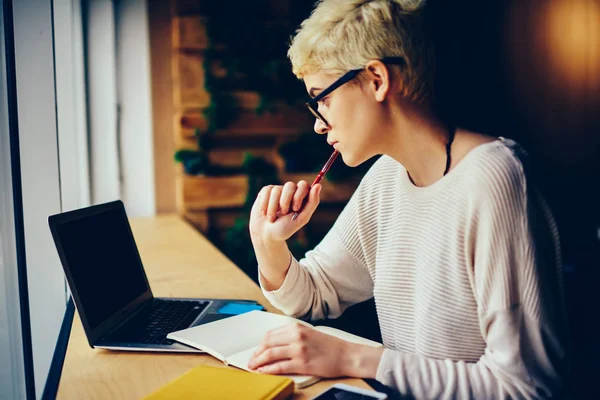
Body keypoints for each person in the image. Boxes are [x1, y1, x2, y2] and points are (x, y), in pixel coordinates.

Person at [246, 0, 568, 398]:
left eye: (322, 99)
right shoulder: (386, 177)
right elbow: (313, 296)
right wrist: (269, 243)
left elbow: (525, 388)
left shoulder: (494, 179)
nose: (317, 122)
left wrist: (357, 358)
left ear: (377, 79)